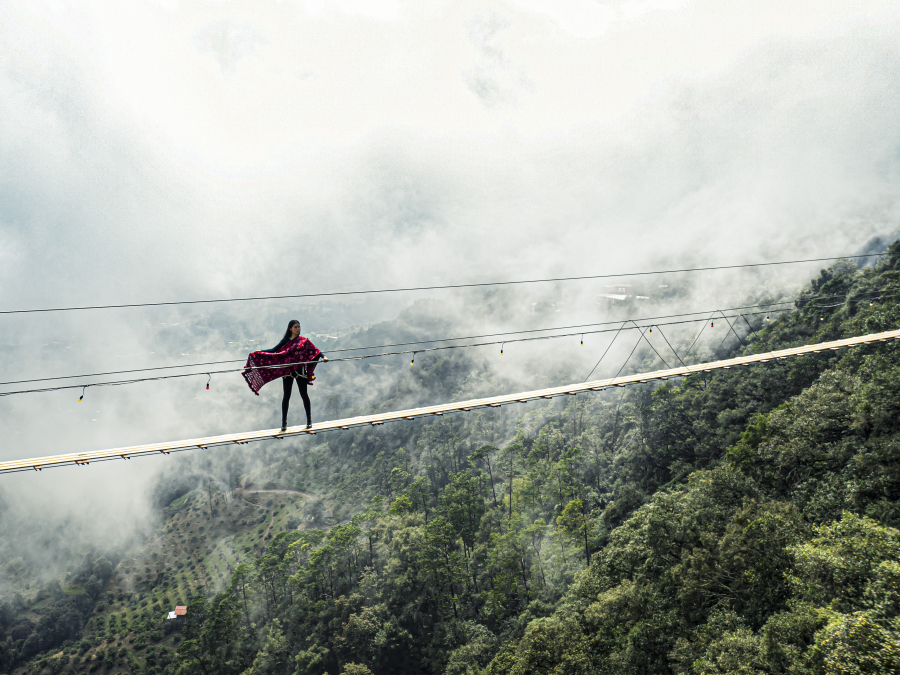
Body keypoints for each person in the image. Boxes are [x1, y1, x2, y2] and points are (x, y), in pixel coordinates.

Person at [241, 320, 327, 431]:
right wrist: (260, 352)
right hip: (287, 371)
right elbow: (274, 351)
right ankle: (284, 423)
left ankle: (309, 421)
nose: (298, 329)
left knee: (304, 395)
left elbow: (315, 350)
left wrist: (323, 357)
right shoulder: (286, 340)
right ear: (290, 328)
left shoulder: (303, 341)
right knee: (286, 396)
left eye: (299, 327)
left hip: (300, 370)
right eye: (295, 327)